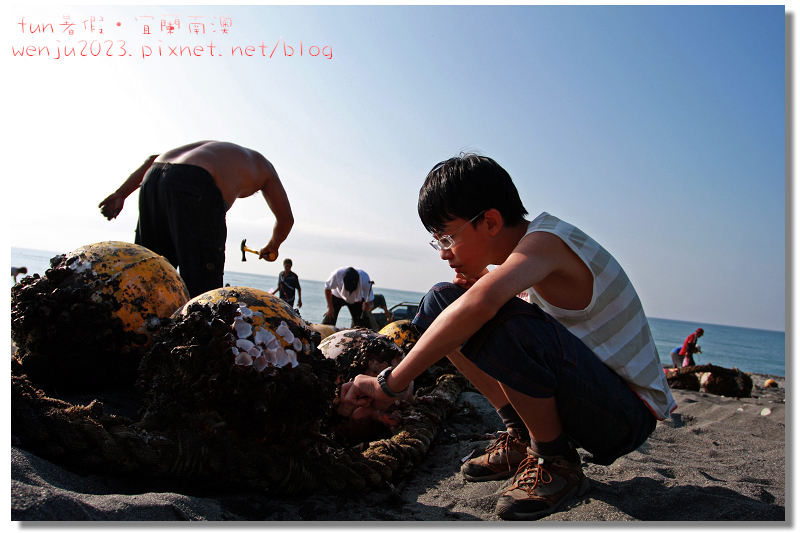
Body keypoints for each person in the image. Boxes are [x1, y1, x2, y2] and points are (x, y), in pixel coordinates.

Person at [341, 154, 675, 521]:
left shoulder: (547, 242)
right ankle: (521, 435)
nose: (444, 253)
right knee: (441, 300)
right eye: (437, 242)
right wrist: (485, 283)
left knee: (490, 312)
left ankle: (554, 460)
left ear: (491, 221)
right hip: (592, 398)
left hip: (626, 415)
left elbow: (484, 307)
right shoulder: (531, 259)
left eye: (448, 238)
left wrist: (391, 385)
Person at [98, 141, 294, 298]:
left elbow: (152, 159)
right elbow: (286, 219)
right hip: (194, 181)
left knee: (151, 272)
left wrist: (121, 194)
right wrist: (273, 245)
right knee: (202, 291)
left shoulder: (223, 151)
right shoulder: (266, 170)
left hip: (155, 174)